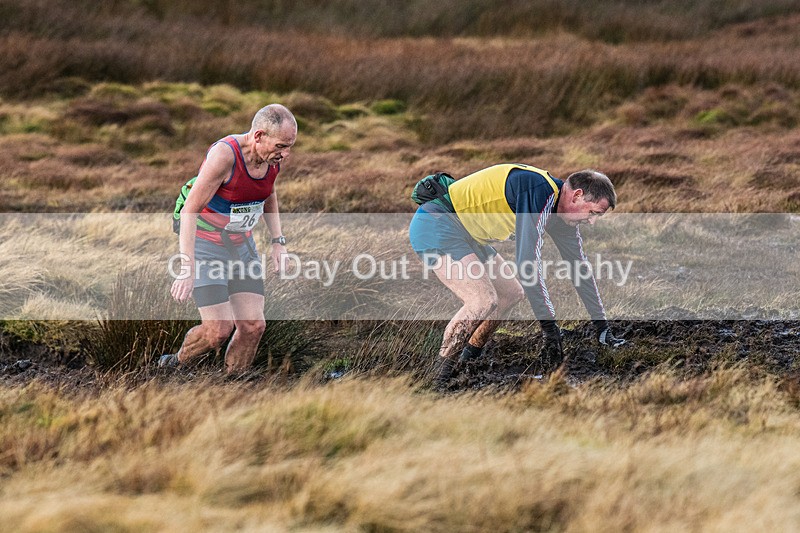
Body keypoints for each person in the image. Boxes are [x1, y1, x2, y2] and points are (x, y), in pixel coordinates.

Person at [408, 163, 626, 388]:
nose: (591, 221)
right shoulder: (538, 191)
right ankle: (437, 380)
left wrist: (602, 327)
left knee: (511, 293)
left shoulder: (561, 215)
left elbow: (579, 268)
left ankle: (468, 360)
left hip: (467, 234)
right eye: (593, 213)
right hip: (437, 223)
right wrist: (550, 329)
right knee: (482, 300)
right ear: (577, 195)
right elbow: (527, 265)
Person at [160, 104, 297, 373]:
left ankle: (234, 384)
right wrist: (187, 267)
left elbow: (268, 194)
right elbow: (190, 210)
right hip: (206, 245)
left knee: (253, 326)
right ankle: (173, 364)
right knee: (218, 331)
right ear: (258, 136)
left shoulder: (271, 159)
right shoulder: (225, 156)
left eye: (290, 146)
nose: (286, 153)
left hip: (240, 245)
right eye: (281, 145)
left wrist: (278, 243)